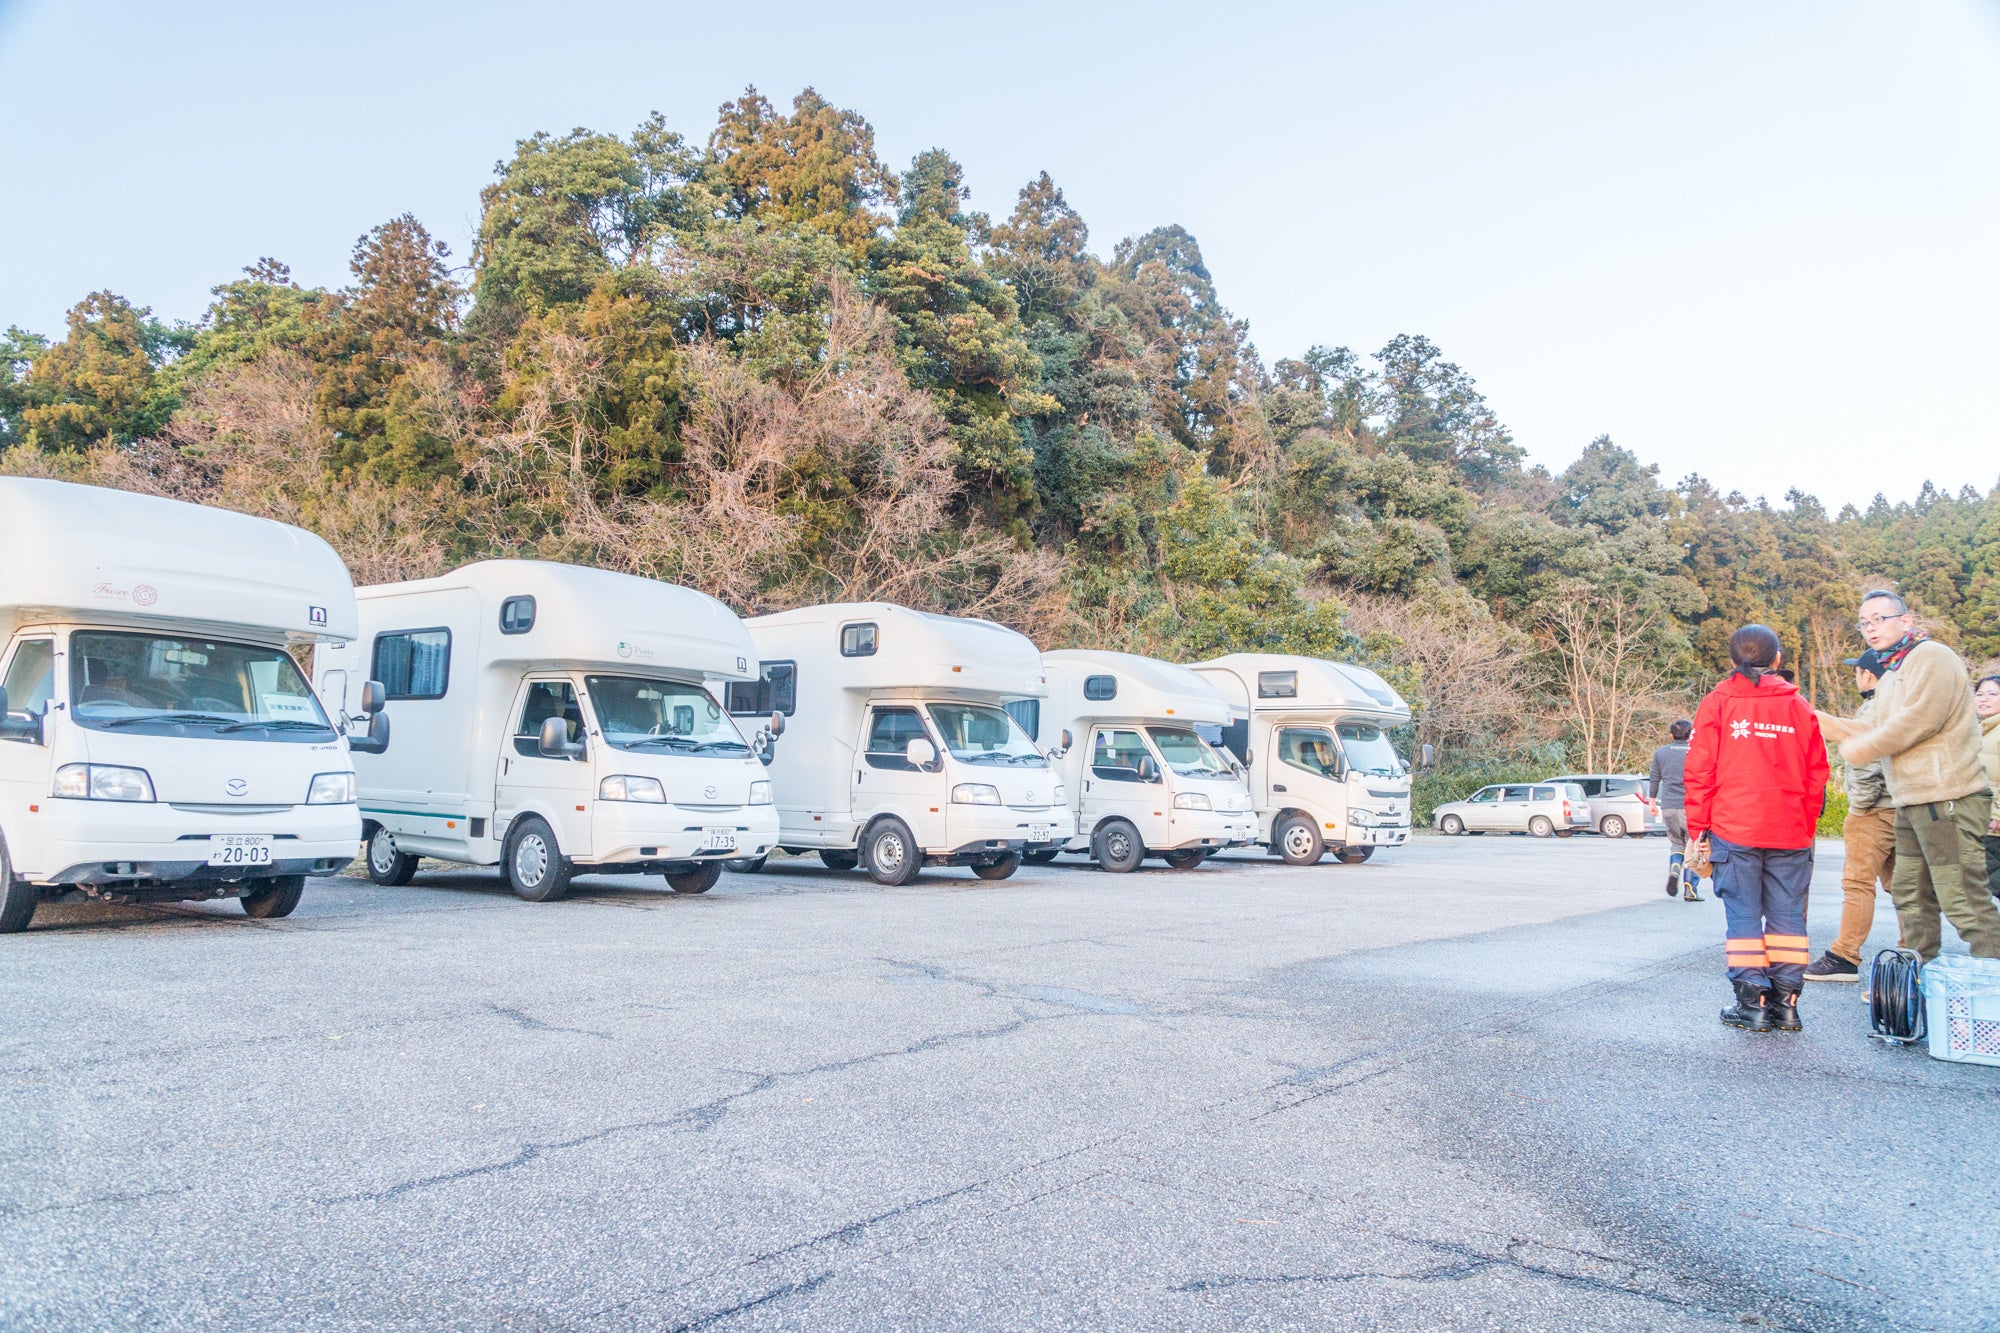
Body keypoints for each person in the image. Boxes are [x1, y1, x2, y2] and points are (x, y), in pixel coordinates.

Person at [1820, 590, 2000, 964]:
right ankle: (1920, 981)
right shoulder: (1892, 673)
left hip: (1950, 796)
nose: (1871, 628)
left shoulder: (1932, 657)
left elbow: (1917, 721)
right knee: (1909, 894)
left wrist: (1859, 750)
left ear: (1906, 620)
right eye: (1864, 622)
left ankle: (1990, 990)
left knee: (1962, 899)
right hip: (1911, 801)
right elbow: (1868, 725)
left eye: (1879, 619)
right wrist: (1805, 716)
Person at [1685, 625, 1829, 1034]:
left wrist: (1700, 829)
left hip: (1734, 827)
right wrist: (1805, 821)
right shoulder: (1798, 706)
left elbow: (1699, 771)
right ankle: (1786, 1006)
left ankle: (1753, 1004)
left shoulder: (1718, 703)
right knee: (1787, 916)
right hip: (1790, 832)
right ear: (1778, 660)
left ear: (1732, 661)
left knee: (1743, 915)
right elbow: (1817, 772)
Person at [1802, 651, 1896, 981]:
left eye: (1857, 671)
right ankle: (1908, 956)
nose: (1855, 677)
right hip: (1902, 807)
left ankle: (1844, 956)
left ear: (1868, 675)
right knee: (1903, 888)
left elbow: (1870, 761)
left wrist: (1861, 805)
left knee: (1857, 884)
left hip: (1875, 810)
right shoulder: (1899, 701)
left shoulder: (1875, 706)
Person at [1649, 720, 1701, 901]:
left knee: (1677, 844)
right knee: (1693, 846)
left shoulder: (1660, 753)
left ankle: (1674, 869)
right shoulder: (1696, 752)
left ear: (1671, 735)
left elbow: (1654, 778)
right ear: (1690, 734)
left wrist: (1652, 803)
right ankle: (1690, 888)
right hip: (1690, 807)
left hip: (1669, 806)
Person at [1978, 674, 2000, 899]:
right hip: (1983, 817)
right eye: (1980, 694)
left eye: (1992, 694)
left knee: (1993, 878)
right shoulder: (1985, 730)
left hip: (1994, 821)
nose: (1984, 699)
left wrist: (1997, 813)